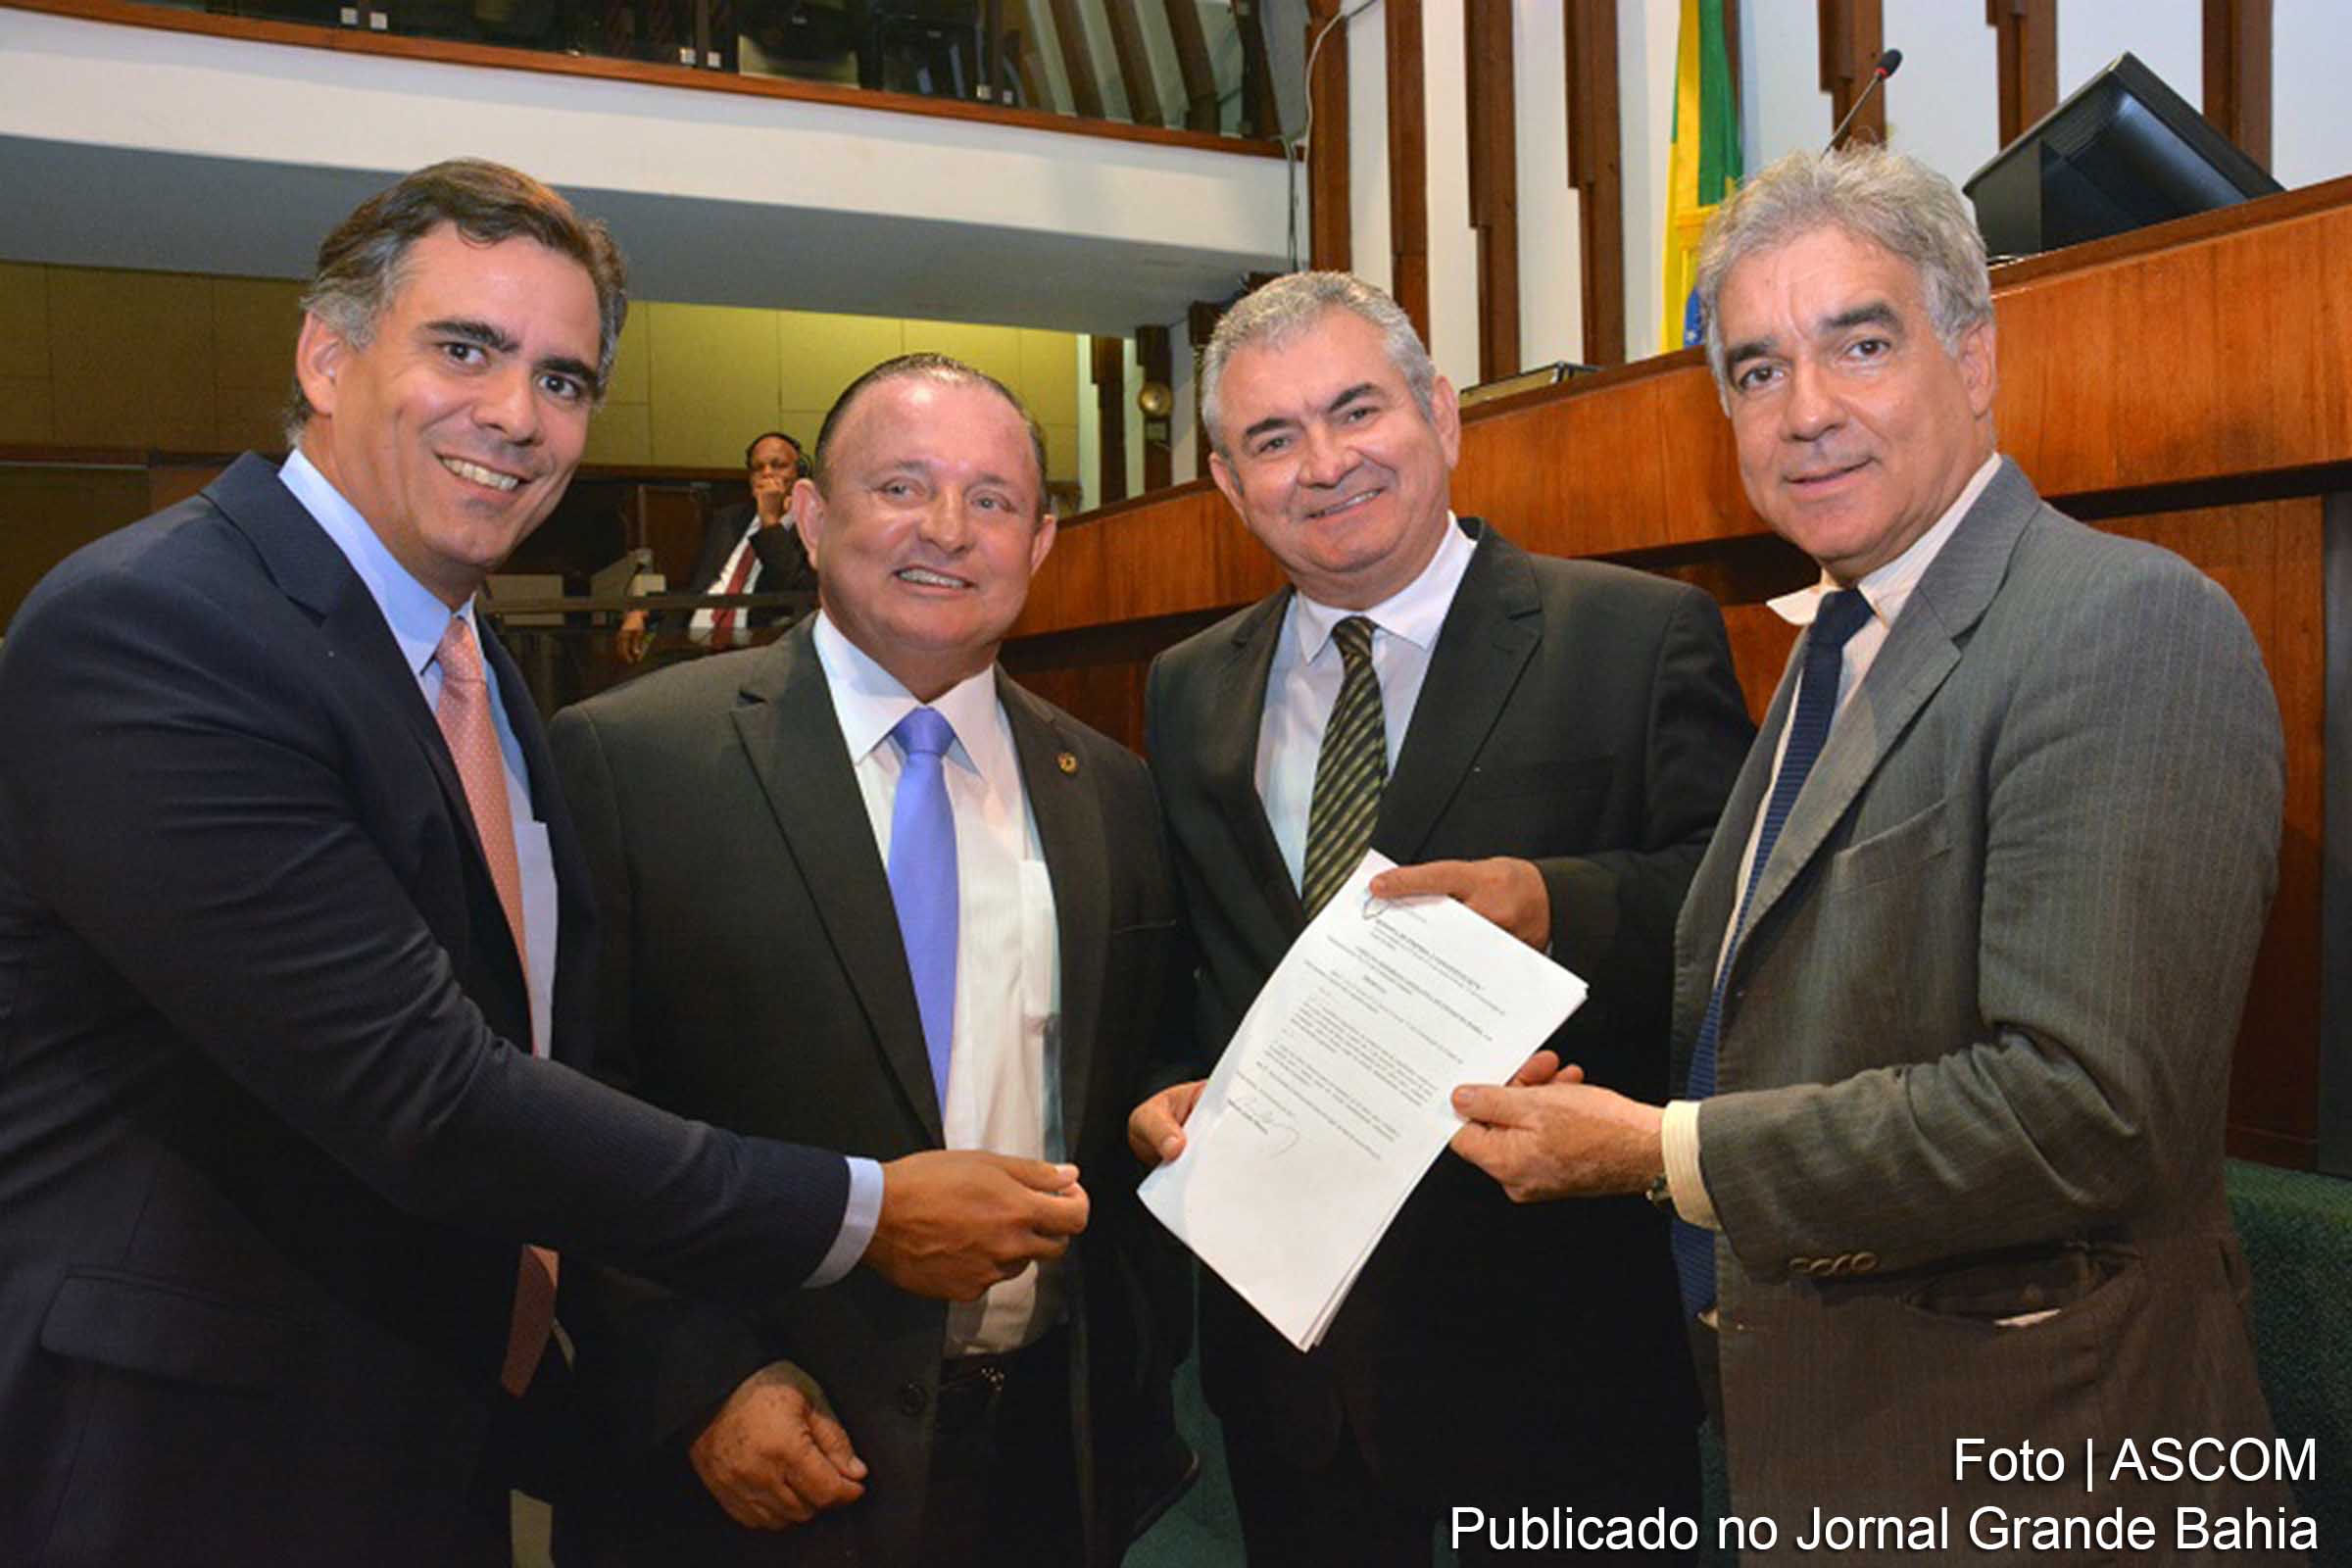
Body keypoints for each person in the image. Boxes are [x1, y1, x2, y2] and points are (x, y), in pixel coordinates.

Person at [0, 161, 1091, 1568]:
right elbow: (426, 1089)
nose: (516, 416)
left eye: (566, 379)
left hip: (420, 1423)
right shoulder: (158, 630)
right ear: (326, 356)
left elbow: (559, 1054)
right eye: (466, 349)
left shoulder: (475, 668)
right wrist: (864, 1210)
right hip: (185, 1454)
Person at [1447, 145, 2298, 1554]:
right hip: (1836, 1431)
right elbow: (1793, 1001)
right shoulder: (1836, 641)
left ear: (1974, 356)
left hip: (2046, 1459)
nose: (1808, 412)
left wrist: (1662, 1152)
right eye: (1758, 370)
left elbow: (2084, 1112)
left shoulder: (2126, 622)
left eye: (1861, 341)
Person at [1126, 271, 1753, 1563]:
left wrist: (1554, 900)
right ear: (1231, 485)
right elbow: (1187, 963)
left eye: (1357, 411)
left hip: (1553, 1366)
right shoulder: (1187, 690)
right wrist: (1162, 1087)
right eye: (1273, 439)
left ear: (1441, 417)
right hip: (1289, 1379)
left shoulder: (1633, 638)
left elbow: (1743, 910)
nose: (1326, 463)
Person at [551, 353, 1194, 1567]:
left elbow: (1142, 1058)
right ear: (808, 512)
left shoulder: (1110, 787)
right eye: (901, 484)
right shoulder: (633, 760)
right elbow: (572, 1103)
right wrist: (698, 1379)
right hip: (763, 1450)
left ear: (1042, 539)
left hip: (1050, 1458)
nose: (947, 530)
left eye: (993, 499)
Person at [614, 429, 815, 662]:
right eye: (757, 468)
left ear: (800, 472)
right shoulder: (728, 521)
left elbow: (794, 591)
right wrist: (643, 608)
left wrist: (770, 522)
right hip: (689, 649)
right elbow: (695, 588)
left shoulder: (811, 526)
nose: (766, 474)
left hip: (755, 652)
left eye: (778, 465)